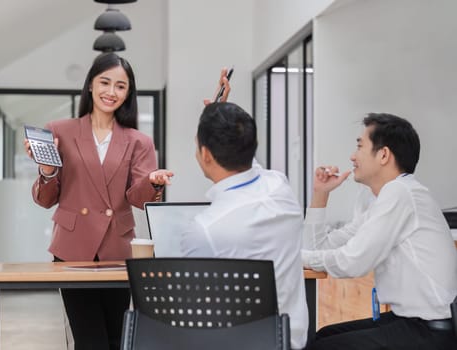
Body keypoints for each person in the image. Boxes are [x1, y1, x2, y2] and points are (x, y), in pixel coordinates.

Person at [24, 52, 177, 350]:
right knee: (89, 340)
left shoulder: (138, 141)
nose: (111, 92)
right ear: (90, 86)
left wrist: (152, 182)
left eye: (120, 86)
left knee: (116, 338)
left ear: (129, 92)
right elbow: (45, 200)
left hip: (116, 250)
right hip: (72, 250)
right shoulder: (59, 131)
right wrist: (47, 170)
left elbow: (137, 198)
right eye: (105, 82)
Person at [302, 113, 457, 350]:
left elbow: (353, 261)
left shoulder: (401, 193)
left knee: (324, 346)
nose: (352, 157)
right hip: (409, 323)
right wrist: (320, 194)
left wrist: (296, 257)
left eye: (360, 146)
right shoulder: (382, 199)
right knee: (322, 337)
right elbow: (319, 248)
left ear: (383, 154)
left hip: (428, 331)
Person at [180, 102, 309, 349]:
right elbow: (252, 168)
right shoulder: (281, 189)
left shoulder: (205, 229)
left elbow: (193, 315)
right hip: (288, 342)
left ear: (205, 154)